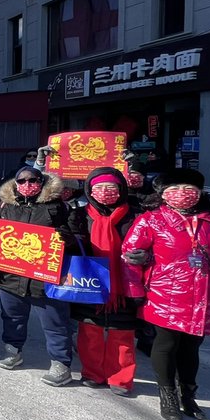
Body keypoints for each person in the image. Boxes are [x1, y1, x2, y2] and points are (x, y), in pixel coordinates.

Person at [122, 169, 210, 420]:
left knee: (191, 347)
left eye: (188, 189)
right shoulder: (151, 220)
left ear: (200, 193)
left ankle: (188, 394)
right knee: (166, 343)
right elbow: (130, 257)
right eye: (174, 190)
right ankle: (168, 395)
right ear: (163, 195)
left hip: (204, 296)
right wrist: (134, 291)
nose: (182, 194)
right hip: (164, 294)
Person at [0, 164, 81, 386]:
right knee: (12, 316)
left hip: (46, 275)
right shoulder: (5, 206)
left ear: (42, 183)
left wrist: (68, 239)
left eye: (33, 180)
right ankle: (13, 351)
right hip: (10, 275)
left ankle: (61, 364)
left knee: (55, 321)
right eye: (22, 181)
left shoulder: (58, 206)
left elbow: (78, 237)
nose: (27, 185)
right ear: (15, 184)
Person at [68, 168, 142, 395]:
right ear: (90, 191)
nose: (104, 192)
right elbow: (73, 242)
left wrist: (145, 256)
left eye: (111, 187)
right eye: (98, 188)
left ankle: (120, 378)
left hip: (125, 284)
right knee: (90, 330)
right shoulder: (79, 215)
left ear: (121, 189)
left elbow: (151, 243)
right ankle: (92, 373)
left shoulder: (136, 215)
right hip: (89, 280)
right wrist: (68, 239)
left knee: (122, 333)